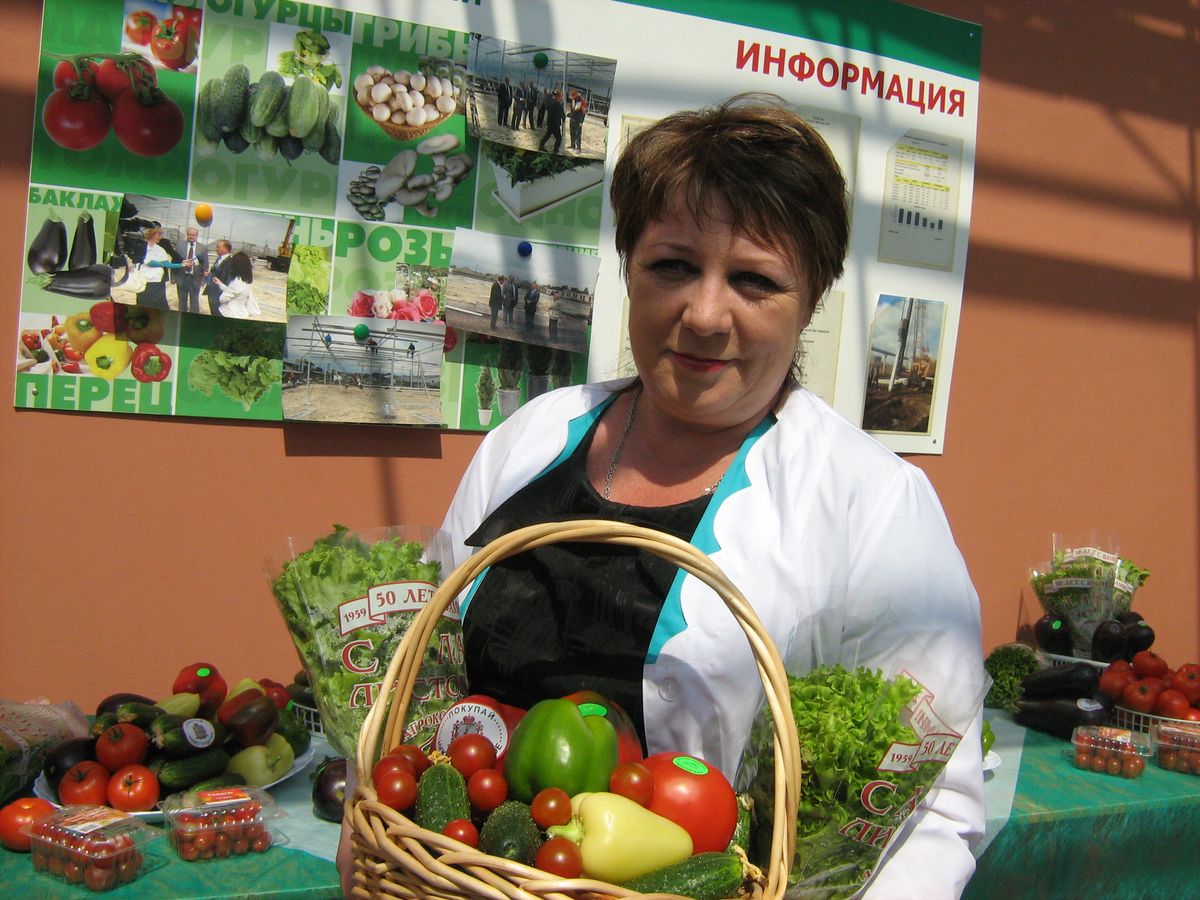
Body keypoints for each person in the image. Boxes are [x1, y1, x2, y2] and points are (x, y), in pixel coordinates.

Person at [337, 94, 984, 898]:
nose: (705, 314)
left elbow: (932, 805)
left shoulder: (874, 503)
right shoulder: (533, 436)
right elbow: (422, 676)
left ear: (811, 301)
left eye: (754, 280)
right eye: (673, 265)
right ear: (629, 267)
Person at [135, 226, 179, 309]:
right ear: (152, 234)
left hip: (158, 283)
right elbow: (150, 263)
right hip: (144, 282)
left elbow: (168, 264)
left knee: (161, 305)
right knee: (143, 304)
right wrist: (163, 264)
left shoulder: (160, 249)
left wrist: (181, 264)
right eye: (159, 235)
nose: (160, 237)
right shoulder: (141, 246)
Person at [209, 251, 261, 319]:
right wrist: (220, 283)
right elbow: (233, 291)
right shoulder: (246, 281)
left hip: (230, 313)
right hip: (242, 313)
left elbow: (222, 299)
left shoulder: (236, 282)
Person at [175, 226, 208, 314]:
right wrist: (173, 278)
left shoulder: (203, 248)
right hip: (182, 277)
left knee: (194, 303)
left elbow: (205, 265)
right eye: (189, 234)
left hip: (196, 278)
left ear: (197, 235)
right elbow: (175, 261)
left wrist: (204, 280)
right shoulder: (179, 245)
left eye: (193, 235)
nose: (191, 236)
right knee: (182, 302)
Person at [204, 239, 232, 317]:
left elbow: (227, 279)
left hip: (219, 294)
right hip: (212, 292)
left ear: (226, 249)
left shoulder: (230, 262)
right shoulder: (219, 258)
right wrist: (209, 274)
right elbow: (216, 273)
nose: (216, 248)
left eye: (218, 247)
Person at [538, 88, 565, 154]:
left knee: (547, 135)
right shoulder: (557, 104)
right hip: (555, 124)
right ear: (558, 95)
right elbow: (562, 115)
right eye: (560, 95)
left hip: (550, 122)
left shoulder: (550, 101)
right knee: (559, 138)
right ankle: (555, 151)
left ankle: (541, 146)